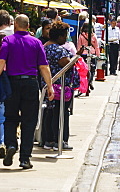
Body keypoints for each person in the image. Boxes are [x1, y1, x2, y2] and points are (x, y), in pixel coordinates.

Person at [0, 14, 55, 170]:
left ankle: (11, 144)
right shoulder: (36, 42)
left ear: (15, 26)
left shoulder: (8, 41)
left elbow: (1, 61)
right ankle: (25, 158)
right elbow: (43, 66)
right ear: (28, 26)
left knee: (10, 117)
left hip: (12, 83)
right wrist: (50, 86)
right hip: (30, 83)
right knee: (29, 121)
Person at [41, 22, 79, 151]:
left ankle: (48, 140)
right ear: (60, 36)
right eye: (65, 35)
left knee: (49, 112)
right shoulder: (58, 50)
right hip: (59, 87)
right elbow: (66, 64)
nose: (66, 38)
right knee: (61, 113)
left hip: (47, 85)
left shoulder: (44, 47)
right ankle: (60, 140)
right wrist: (75, 59)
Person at [77, 19, 100, 96]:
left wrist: (78, 55)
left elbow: (79, 46)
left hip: (83, 54)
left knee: (83, 70)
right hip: (92, 53)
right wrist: (98, 55)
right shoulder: (94, 36)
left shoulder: (81, 36)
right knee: (92, 70)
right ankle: (90, 81)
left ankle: (86, 83)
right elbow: (96, 46)